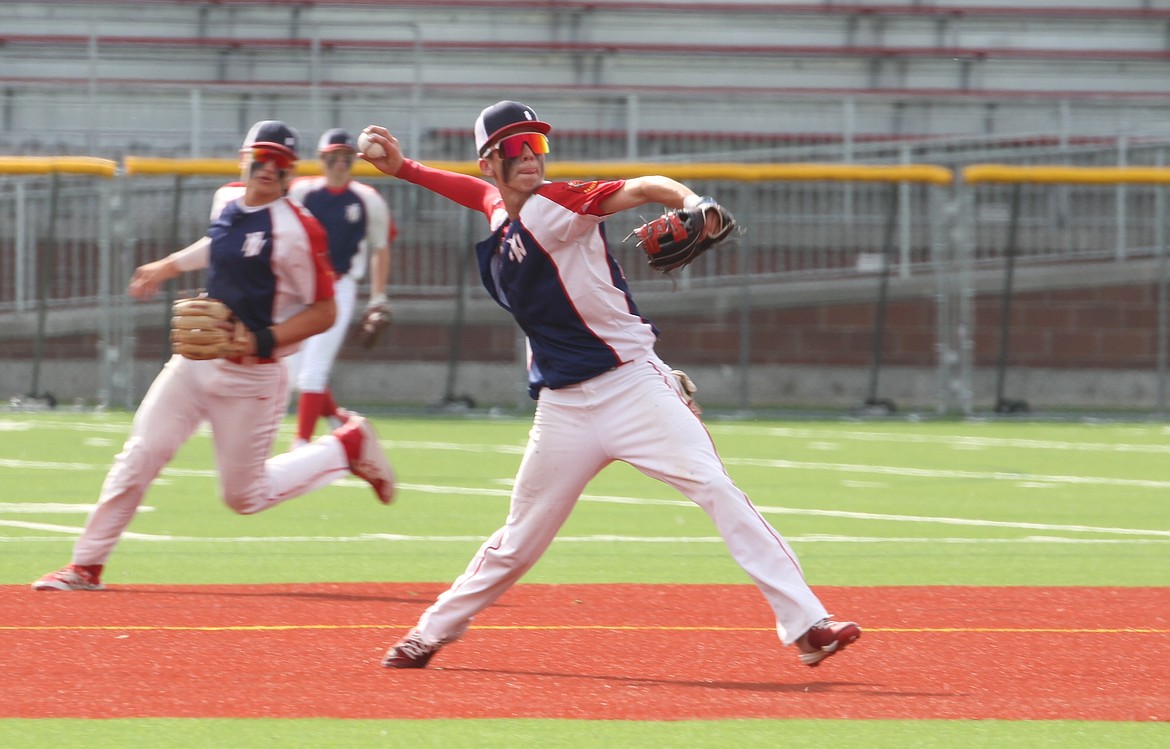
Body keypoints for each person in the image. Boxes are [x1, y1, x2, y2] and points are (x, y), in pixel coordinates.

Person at [359, 101, 861, 669]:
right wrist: (404, 168)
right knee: (519, 539)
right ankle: (430, 632)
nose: (530, 158)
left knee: (717, 489)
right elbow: (470, 191)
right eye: (515, 149)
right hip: (564, 409)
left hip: (632, 388)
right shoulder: (496, 203)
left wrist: (693, 204)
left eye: (538, 146)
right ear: (489, 163)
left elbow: (644, 187)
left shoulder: (559, 202)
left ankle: (807, 625)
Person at [32, 120, 396, 592]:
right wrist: (168, 265)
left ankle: (346, 447)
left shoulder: (298, 230)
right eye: (260, 159)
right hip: (195, 361)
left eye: (280, 162)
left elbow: (324, 311)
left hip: (253, 376)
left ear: (290, 173)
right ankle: (86, 565)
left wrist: (258, 340)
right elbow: (219, 244)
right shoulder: (226, 199)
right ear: (244, 161)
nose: (268, 169)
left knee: (244, 497)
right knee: (139, 455)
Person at [285, 128, 396, 449]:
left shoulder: (366, 199)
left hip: (338, 286)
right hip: (302, 287)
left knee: (313, 371)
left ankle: (301, 445)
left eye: (346, 158)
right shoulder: (301, 193)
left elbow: (380, 247)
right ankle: (340, 421)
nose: (339, 164)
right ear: (322, 159)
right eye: (333, 157)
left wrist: (378, 297)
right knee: (293, 374)